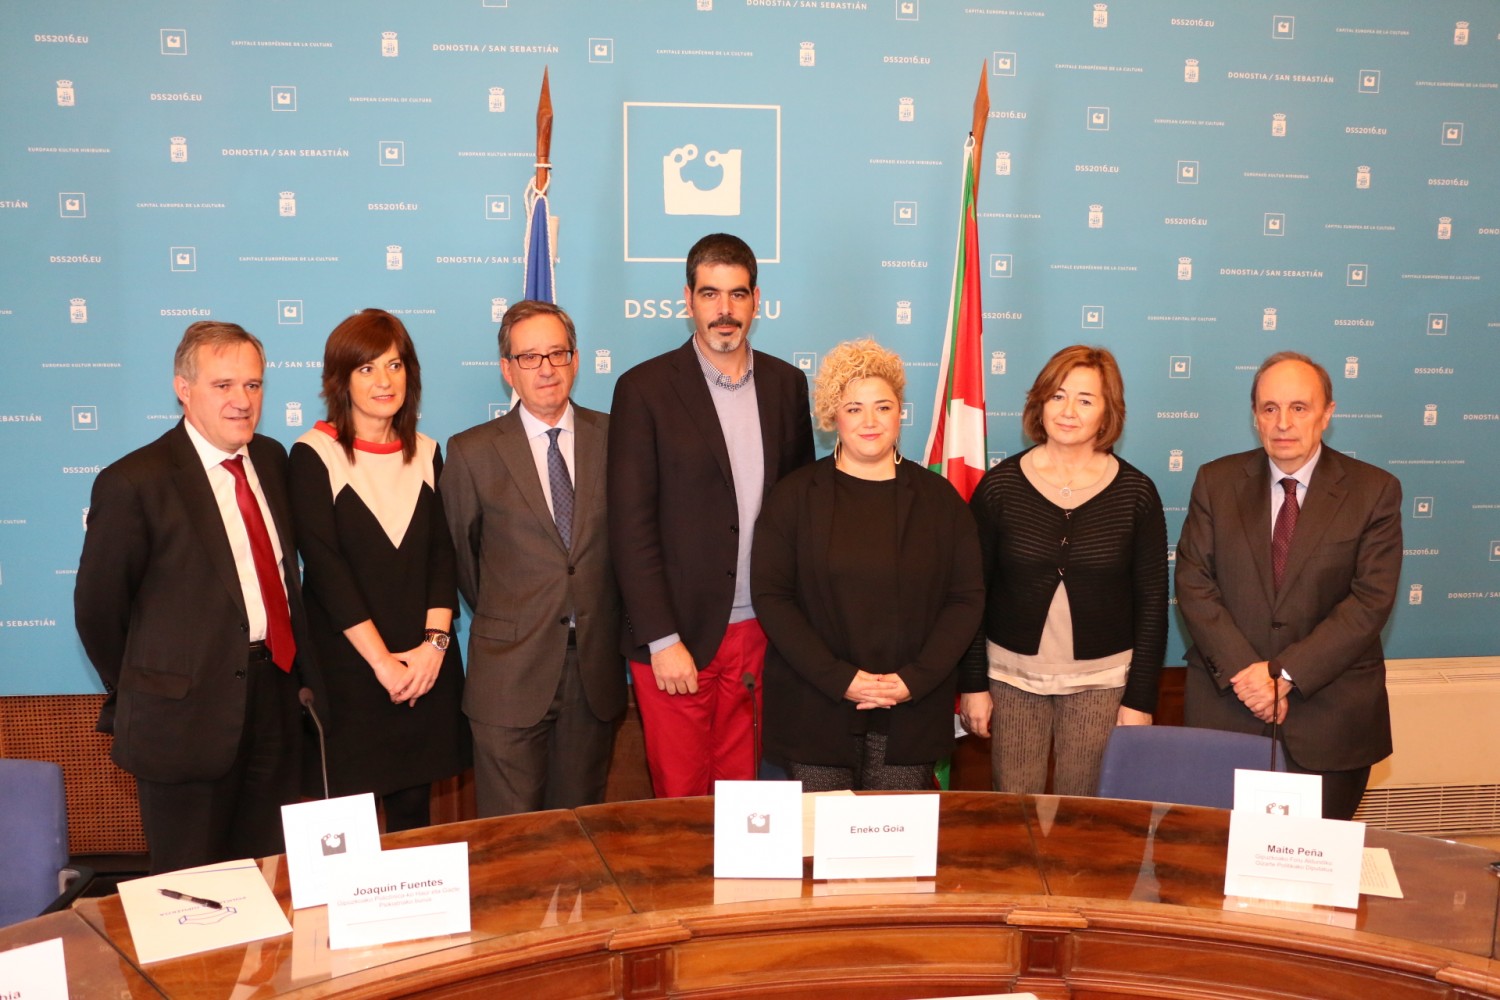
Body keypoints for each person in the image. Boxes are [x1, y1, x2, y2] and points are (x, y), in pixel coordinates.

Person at [75, 321, 318, 873]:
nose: (242, 401)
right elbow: (97, 612)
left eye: (253, 385)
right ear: (184, 389)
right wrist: (153, 687)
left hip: (276, 704)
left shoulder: (273, 460)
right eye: (223, 385)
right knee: (195, 899)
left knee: (270, 880)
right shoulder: (135, 482)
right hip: (184, 721)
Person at [608, 232, 815, 797]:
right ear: (688, 299)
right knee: (681, 796)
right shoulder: (643, 389)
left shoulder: (786, 385)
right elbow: (630, 527)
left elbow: (798, 513)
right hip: (677, 639)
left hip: (761, 633)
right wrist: (660, 638)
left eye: (737, 295)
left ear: (756, 301)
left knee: (747, 795)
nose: (724, 311)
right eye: (710, 294)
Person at [1175, 351, 1401, 820]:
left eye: (1299, 407)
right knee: (1215, 866)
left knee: (1314, 876)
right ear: (1255, 416)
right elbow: (1194, 582)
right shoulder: (1215, 482)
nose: (1283, 423)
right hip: (1229, 710)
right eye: (1269, 408)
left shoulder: (1374, 491)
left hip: (1329, 718)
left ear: (1327, 413)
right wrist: (1250, 677)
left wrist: (1284, 675)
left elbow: (1369, 601)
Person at [752, 340, 984, 789]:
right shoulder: (794, 497)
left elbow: (965, 599)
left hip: (910, 710)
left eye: (883, 406)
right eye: (854, 408)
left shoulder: (940, 502)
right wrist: (841, 679)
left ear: (900, 413)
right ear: (833, 415)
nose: (870, 421)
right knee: (819, 852)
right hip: (814, 708)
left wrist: (912, 681)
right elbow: (772, 597)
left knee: (894, 855)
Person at [442, 300, 626, 816]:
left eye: (557, 353)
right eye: (529, 357)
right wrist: (518, 611)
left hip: (592, 674)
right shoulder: (471, 452)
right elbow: (462, 558)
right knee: (510, 842)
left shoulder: (616, 437)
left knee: (579, 832)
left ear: (575, 359)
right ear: (507, 369)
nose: (546, 368)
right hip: (509, 673)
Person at [959, 345, 1168, 797]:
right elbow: (972, 593)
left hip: (1102, 685)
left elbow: (1153, 604)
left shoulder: (1136, 493)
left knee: (1086, 816)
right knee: (1013, 814)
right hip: (1011, 682)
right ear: (1039, 404)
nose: (1068, 411)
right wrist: (972, 684)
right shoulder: (1001, 487)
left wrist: (1140, 700)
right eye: (1057, 396)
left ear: (1107, 412)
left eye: (1085, 400)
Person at [287, 309, 467, 832]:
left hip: (422, 670)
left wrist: (433, 648)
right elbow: (325, 569)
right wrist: (383, 663)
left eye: (394, 365)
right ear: (340, 379)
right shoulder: (313, 454)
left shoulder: (429, 453)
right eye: (366, 369)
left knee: (414, 823)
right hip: (350, 674)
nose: (383, 381)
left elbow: (443, 556)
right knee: (350, 832)